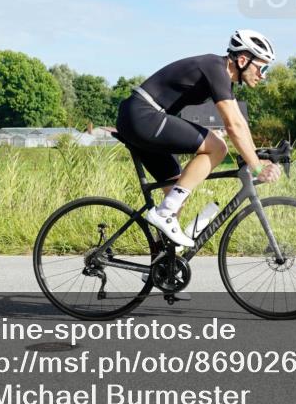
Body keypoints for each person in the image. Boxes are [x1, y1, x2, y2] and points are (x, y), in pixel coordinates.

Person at [115, 29, 282, 247]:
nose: (264, 75)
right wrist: (256, 167)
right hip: (143, 116)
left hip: (138, 119)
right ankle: (164, 213)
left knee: (177, 192)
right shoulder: (215, 68)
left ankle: (162, 259)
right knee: (217, 147)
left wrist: (256, 156)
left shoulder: (221, 76)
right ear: (242, 60)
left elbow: (241, 123)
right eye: (262, 68)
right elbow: (232, 125)